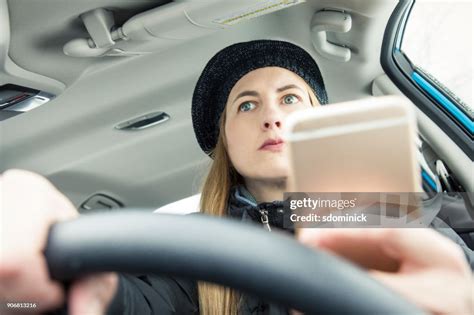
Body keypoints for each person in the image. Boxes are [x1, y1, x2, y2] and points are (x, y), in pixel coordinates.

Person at [0, 40, 472, 315]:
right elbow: (131, 301)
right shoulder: (192, 248)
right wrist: (70, 272)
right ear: (225, 138)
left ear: (318, 119)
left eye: (290, 99)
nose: (271, 116)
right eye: (246, 105)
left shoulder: (401, 208)